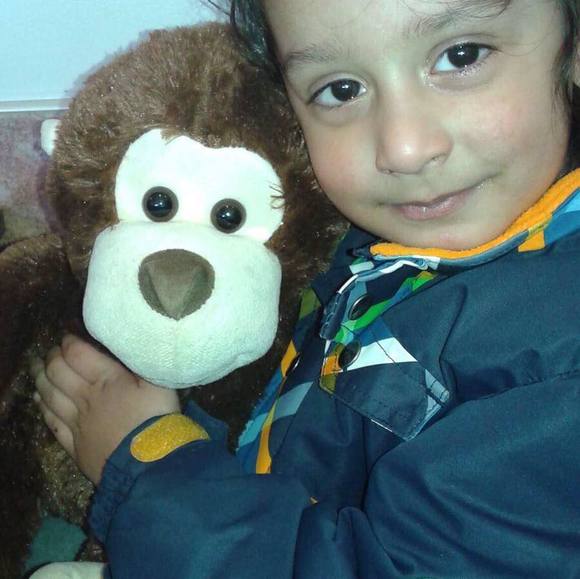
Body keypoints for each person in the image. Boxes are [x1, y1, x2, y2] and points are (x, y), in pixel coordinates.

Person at [32, 0, 580, 577]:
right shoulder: (365, 234)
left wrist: (150, 463)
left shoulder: (561, 373)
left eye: (461, 56)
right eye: (341, 90)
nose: (404, 148)